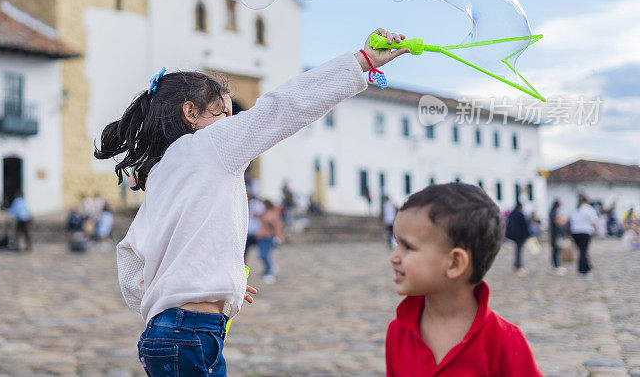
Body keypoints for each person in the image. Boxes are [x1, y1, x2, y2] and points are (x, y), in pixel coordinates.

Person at [101, 28, 410, 377]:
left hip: (172, 333)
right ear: (190, 112)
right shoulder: (211, 145)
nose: (234, 124)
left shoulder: (160, 173)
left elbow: (130, 258)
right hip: (190, 334)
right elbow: (284, 107)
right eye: (225, 114)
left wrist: (208, 278)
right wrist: (362, 62)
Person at [386, 183, 541, 376]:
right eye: (396, 243)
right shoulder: (398, 332)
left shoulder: (504, 340)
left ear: (454, 263)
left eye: (408, 247)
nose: (394, 257)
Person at [569, 194, 598, 277]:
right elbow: (594, 222)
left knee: (581, 251)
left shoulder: (574, 209)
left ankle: (587, 267)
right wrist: (594, 230)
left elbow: (570, 220)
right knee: (583, 251)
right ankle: (582, 270)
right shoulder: (589, 209)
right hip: (585, 232)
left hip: (575, 232)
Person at [256, 199, 284, 284]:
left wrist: (278, 237)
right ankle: (269, 268)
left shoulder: (272, 215)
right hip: (261, 238)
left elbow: (277, 227)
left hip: (268, 237)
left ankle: (269, 272)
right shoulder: (263, 214)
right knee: (261, 255)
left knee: (264, 255)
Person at [505, 201, 531, 276]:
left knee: (517, 251)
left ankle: (517, 266)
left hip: (514, 235)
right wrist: (528, 234)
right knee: (519, 252)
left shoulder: (512, 214)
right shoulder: (520, 214)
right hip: (520, 236)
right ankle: (518, 266)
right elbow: (524, 225)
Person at [549, 199, 567, 275]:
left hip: (555, 234)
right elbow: (558, 222)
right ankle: (556, 266)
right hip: (556, 234)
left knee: (556, 250)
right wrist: (563, 220)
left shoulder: (553, 211)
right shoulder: (554, 212)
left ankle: (556, 265)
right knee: (556, 250)